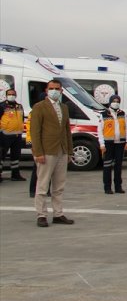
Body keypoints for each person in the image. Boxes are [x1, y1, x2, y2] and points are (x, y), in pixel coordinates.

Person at [28, 80, 74, 227]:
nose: (54, 91)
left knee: (59, 185)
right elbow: (35, 131)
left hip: (61, 150)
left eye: (57, 89)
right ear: (47, 90)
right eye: (52, 88)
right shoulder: (39, 107)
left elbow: (67, 131)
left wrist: (69, 151)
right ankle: (41, 214)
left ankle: (58, 214)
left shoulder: (64, 107)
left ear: (61, 91)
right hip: (46, 150)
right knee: (42, 185)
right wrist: (38, 152)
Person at [98, 94, 127, 195]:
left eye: (117, 101)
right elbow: (100, 130)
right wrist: (102, 144)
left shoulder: (122, 114)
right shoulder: (104, 114)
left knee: (118, 166)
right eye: (114, 101)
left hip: (120, 143)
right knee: (107, 166)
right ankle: (107, 187)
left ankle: (118, 187)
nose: (116, 103)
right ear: (110, 102)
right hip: (108, 143)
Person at [0, 87, 27, 182]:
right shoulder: (2, 106)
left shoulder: (19, 106)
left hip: (17, 136)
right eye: (9, 94)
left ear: (15, 95)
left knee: (16, 156)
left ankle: (15, 175)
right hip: (5, 135)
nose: (11, 96)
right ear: (6, 96)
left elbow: (22, 119)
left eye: (13, 94)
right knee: (1, 156)